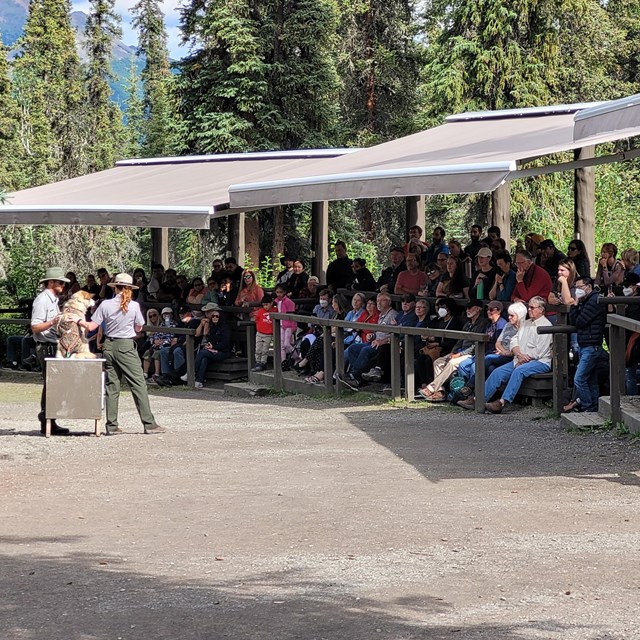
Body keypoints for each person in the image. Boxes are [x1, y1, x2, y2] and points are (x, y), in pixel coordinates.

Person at [79, 273, 165, 435]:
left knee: (112, 386)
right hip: (126, 346)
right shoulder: (133, 306)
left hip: (109, 345)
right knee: (138, 384)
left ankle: (112, 425)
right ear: (129, 289)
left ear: (115, 287)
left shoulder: (105, 304)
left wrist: (77, 320)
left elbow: (91, 326)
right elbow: (140, 327)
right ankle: (149, 423)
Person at [483, 296, 552, 414]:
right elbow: (514, 340)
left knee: (519, 371)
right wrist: (519, 354)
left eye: (532, 307)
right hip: (520, 358)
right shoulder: (525, 323)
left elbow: (540, 352)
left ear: (541, 309)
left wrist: (523, 358)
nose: (529, 310)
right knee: (498, 372)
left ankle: (502, 402)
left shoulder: (546, 326)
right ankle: (478, 399)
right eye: (528, 307)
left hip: (540, 362)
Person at [418, 299, 489, 402]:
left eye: (471, 308)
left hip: (472, 354)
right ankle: (440, 392)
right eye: (467, 308)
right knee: (438, 362)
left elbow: (476, 345)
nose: (468, 310)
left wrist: (460, 354)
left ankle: (431, 388)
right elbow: (460, 340)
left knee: (452, 363)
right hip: (460, 351)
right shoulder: (467, 324)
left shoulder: (483, 323)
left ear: (479, 309)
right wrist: (454, 352)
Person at [31, 267, 69, 436]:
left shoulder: (53, 299)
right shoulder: (42, 300)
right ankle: (47, 419)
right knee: (51, 385)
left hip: (53, 345)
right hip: (46, 346)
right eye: (60, 282)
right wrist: (53, 322)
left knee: (54, 385)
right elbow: (35, 326)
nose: (63, 285)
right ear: (51, 282)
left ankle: (49, 419)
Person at [563, 277, 607, 413]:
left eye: (580, 287)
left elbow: (580, 322)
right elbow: (574, 319)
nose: (577, 290)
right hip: (585, 344)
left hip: (591, 345)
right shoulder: (585, 301)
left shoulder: (594, 301)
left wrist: (576, 304)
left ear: (588, 286)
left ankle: (588, 406)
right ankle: (593, 407)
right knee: (591, 380)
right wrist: (576, 304)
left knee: (579, 378)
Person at [338, 292, 398, 390]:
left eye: (381, 301)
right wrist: (373, 335)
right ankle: (355, 374)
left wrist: (381, 340)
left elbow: (395, 334)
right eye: (377, 301)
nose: (378, 303)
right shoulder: (381, 315)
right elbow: (378, 331)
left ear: (388, 302)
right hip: (374, 341)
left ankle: (354, 376)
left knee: (365, 350)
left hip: (384, 344)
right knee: (353, 348)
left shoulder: (392, 315)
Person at [188, 304, 232, 389]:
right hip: (213, 350)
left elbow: (225, 343)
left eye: (216, 316)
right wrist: (209, 345)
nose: (214, 318)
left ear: (220, 317)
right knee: (204, 358)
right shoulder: (213, 327)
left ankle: (191, 373)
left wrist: (214, 347)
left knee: (202, 353)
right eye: (213, 316)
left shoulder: (225, 327)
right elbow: (207, 337)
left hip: (223, 352)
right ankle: (199, 381)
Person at [251, 295, 276, 372]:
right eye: (264, 305)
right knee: (258, 349)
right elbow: (257, 319)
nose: (265, 306)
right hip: (259, 333)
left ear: (271, 303)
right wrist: (258, 327)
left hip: (268, 334)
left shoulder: (275, 311)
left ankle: (263, 363)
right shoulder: (261, 311)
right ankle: (257, 362)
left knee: (265, 350)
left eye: (267, 304)